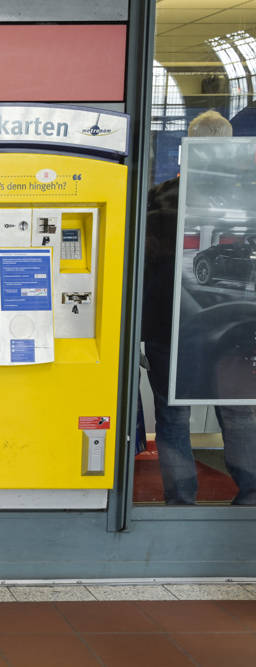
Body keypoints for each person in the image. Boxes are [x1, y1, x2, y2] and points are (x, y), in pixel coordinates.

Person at [142, 109, 256, 504]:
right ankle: (250, 496)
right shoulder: (248, 200)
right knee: (239, 413)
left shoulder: (157, 199)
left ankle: (180, 500)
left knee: (173, 417)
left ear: (184, 152)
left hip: (168, 329)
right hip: (238, 327)